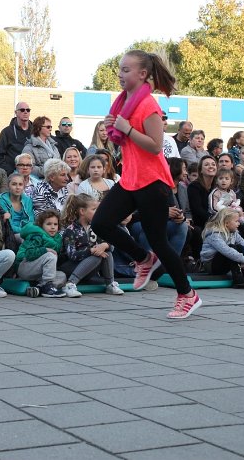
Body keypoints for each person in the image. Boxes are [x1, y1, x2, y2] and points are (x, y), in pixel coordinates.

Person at [87, 50, 201, 319]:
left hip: (153, 182)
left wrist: (126, 129)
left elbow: (155, 146)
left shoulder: (148, 105)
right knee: (101, 222)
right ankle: (144, 259)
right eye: (120, 69)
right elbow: (128, 145)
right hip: (130, 180)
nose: (120, 74)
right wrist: (116, 128)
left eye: (126, 70)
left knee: (159, 242)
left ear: (142, 74)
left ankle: (187, 295)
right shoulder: (124, 102)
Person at [60, 193, 123, 296]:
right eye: (94, 209)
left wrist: (105, 245)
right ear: (82, 211)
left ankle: (110, 284)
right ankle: (70, 284)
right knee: (97, 256)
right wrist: (91, 251)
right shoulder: (71, 230)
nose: (98, 212)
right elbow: (72, 255)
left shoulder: (96, 227)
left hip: (88, 269)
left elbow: (111, 247)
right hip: (70, 267)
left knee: (106, 253)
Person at [200, 209, 244, 288]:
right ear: (226, 223)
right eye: (236, 221)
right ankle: (237, 279)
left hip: (226, 262)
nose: (238, 223)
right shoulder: (214, 235)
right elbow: (226, 251)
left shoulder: (234, 233)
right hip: (212, 266)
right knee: (231, 248)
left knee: (239, 247)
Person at [15, 209, 67, 297]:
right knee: (50, 256)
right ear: (41, 225)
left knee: (62, 276)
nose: (53, 227)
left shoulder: (57, 239)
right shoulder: (36, 235)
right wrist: (44, 250)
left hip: (40, 272)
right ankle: (47, 286)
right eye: (49, 224)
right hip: (25, 266)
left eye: (55, 224)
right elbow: (29, 254)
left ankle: (38, 288)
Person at [0, 173, 34, 250]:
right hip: (8, 233)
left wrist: (26, 230)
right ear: (8, 186)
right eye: (14, 184)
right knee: (24, 240)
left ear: (24, 186)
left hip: (25, 231)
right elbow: (8, 225)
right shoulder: (1, 200)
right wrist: (24, 231)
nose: (17, 187)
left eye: (20, 184)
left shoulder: (27, 200)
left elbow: (31, 221)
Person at [0, 102, 33, 174]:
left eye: (28, 110)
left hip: (34, 174)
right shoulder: (7, 132)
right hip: (13, 174)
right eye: (22, 110)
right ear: (16, 112)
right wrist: (9, 171)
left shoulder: (36, 131)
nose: (25, 112)